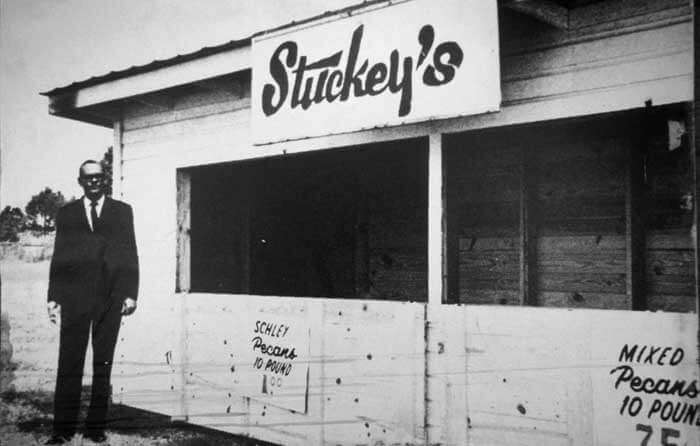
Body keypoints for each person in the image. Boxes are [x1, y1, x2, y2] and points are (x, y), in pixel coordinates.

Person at [46, 160, 139, 444]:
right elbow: (59, 257)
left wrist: (130, 293)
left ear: (105, 179)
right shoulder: (67, 213)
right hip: (75, 299)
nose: (95, 182)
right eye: (89, 178)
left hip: (109, 300)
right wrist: (53, 298)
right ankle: (62, 431)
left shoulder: (122, 212)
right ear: (80, 181)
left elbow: (129, 254)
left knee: (103, 363)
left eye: (99, 177)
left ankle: (95, 428)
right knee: (69, 363)